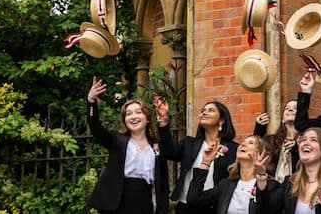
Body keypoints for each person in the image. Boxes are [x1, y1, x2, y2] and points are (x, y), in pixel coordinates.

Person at [85, 76, 168, 214]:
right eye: (128, 114)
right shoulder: (118, 141)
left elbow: (163, 184)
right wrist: (91, 101)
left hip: (144, 202)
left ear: (147, 118)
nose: (133, 116)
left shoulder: (156, 148)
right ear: (125, 120)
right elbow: (96, 129)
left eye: (138, 112)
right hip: (118, 202)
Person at [155, 97, 238, 213]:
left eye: (211, 110)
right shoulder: (189, 143)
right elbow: (168, 151)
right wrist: (163, 120)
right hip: (185, 206)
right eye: (203, 110)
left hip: (215, 208)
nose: (204, 112)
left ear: (222, 120)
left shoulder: (233, 149)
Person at [188, 135, 284, 214]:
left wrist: (261, 176)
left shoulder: (272, 186)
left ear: (261, 153)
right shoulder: (225, 185)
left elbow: (270, 209)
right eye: (242, 142)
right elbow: (194, 200)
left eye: (250, 143)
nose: (243, 144)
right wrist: (205, 163)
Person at [258, 127, 321, 213]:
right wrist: (261, 174)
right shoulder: (290, 183)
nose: (306, 143)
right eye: (303, 140)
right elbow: (269, 208)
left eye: (313, 140)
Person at [254, 99, 300, 182]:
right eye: (287, 108)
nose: (290, 109)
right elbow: (256, 148)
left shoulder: (305, 140)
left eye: (295, 108)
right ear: (282, 119)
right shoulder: (272, 140)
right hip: (273, 188)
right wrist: (259, 127)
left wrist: (296, 148)